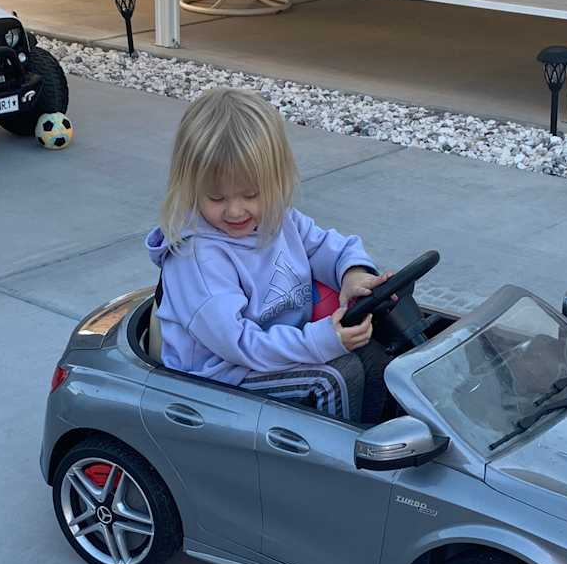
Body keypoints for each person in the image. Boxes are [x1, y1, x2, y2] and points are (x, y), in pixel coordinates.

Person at [146, 88, 392, 424]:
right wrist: (320, 341)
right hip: (222, 375)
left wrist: (353, 274)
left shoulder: (278, 218)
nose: (235, 211)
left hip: (279, 347)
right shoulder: (199, 258)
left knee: (378, 354)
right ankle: (333, 470)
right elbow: (238, 344)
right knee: (335, 377)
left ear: (276, 182)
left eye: (251, 194)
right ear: (190, 188)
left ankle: (383, 445)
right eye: (215, 197)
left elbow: (326, 247)